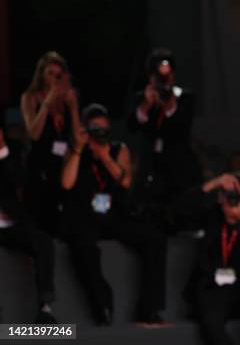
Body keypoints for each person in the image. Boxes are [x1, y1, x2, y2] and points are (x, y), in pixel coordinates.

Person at [61, 104, 167, 326]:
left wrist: (105, 156)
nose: (101, 133)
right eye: (95, 129)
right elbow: (66, 183)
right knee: (84, 246)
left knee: (154, 239)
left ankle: (150, 309)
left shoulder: (119, 149)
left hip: (115, 214)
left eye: (104, 129)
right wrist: (80, 149)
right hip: (86, 216)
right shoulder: (75, 150)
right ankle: (103, 305)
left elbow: (125, 181)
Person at [182, 172, 240, 345]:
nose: (231, 199)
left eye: (235, 194)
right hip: (215, 290)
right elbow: (180, 209)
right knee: (210, 321)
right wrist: (214, 183)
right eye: (227, 194)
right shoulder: (211, 217)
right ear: (220, 197)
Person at [127, 48, 200, 231]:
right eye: (158, 77)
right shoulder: (142, 98)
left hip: (177, 170)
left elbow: (182, 127)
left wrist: (169, 103)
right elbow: (132, 126)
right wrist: (146, 104)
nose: (163, 82)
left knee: (179, 216)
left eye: (167, 77)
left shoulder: (185, 98)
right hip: (150, 168)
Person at [0, 122, 57, 323]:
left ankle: (45, 308)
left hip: (10, 222)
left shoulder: (12, 149)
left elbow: (17, 181)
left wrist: (2, 151)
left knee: (43, 242)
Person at [20, 51, 80, 235]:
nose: (54, 79)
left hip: (60, 169)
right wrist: (48, 101)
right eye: (50, 74)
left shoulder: (66, 99)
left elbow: (77, 138)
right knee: (37, 221)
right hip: (37, 168)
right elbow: (34, 133)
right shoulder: (31, 97)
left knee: (60, 224)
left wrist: (73, 107)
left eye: (58, 75)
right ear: (42, 75)